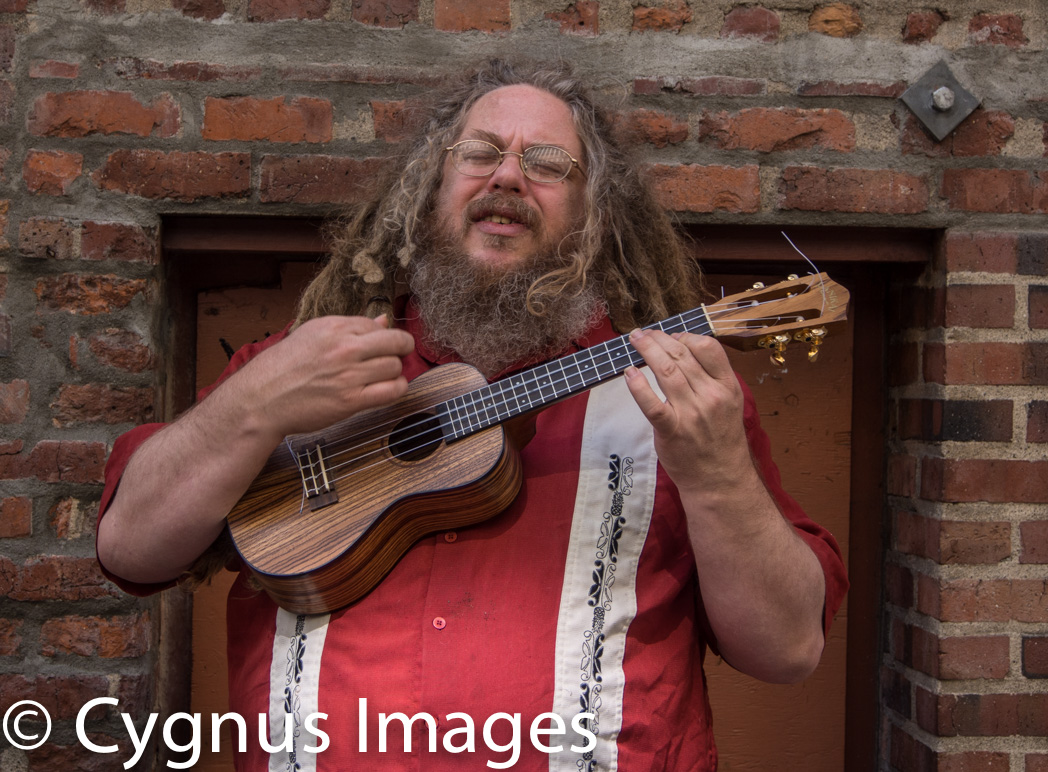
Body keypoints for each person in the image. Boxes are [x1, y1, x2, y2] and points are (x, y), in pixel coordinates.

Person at [96, 58, 847, 771]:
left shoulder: (677, 398)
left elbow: (785, 650)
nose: (509, 176)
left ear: (596, 212)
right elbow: (133, 547)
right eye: (480, 151)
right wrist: (253, 403)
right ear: (428, 188)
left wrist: (717, 478)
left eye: (549, 164)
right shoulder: (303, 369)